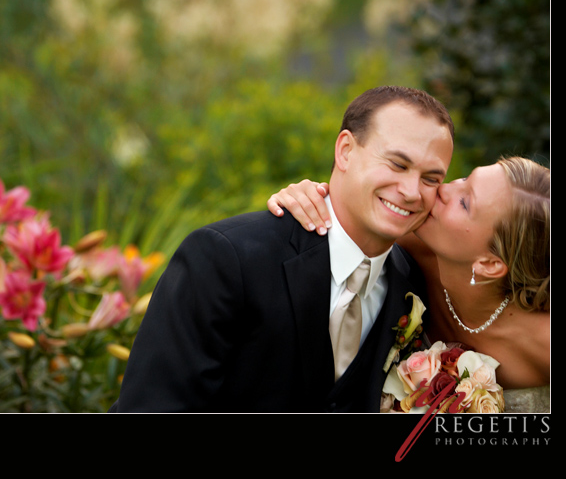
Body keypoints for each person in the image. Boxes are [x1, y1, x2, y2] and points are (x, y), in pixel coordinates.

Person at [108, 85, 454, 412]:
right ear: (345, 150)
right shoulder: (227, 258)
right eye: (397, 163)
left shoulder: (413, 285)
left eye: (431, 179)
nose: (411, 191)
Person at [267, 156, 550, 412]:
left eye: (465, 203)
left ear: (489, 265)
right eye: (464, 179)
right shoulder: (411, 238)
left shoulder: (543, 340)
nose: (443, 188)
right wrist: (309, 198)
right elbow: (343, 217)